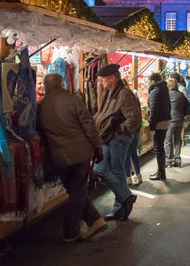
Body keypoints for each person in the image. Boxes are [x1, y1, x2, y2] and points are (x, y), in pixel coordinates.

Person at [37, 73, 106, 242]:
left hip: (59, 157)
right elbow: (89, 126)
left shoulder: (40, 106)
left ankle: (94, 220)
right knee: (77, 191)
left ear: (46, 86)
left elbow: (40, 132)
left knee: (75, 190)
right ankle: (71, 230)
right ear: (61, 84)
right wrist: (98, 149)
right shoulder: (73, 99)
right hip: (81, 153)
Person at [93, 64, 141, 221]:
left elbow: (134, 119)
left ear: (113, 78)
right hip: (107, 137)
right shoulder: (109, 92)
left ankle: (119, 209)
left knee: (117, 170)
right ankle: (125, 198)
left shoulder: (124, 93)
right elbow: (104, 114)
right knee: (100, 169)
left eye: (103, 79)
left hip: (117, 138)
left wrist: (119, 130)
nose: (101, 82)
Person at [146, 72, 171, 181]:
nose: (147, 84)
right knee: (160, 147)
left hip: (159, 123)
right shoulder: (163, 89)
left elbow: (154, 111)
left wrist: (152, 127)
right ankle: (161, 172)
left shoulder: (155, 91)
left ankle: (161, 173)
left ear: (152, 81)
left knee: (158, 148)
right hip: (165, 121)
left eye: (148, 81)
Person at [166, 78, 189, 167]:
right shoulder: (181, 95)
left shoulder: (167, 95)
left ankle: (168, 160)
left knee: (168, 140)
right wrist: (183, 115)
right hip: (179, 120)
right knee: (177, 140)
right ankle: (177, 159)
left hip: (170, 120)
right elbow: (187, 106)